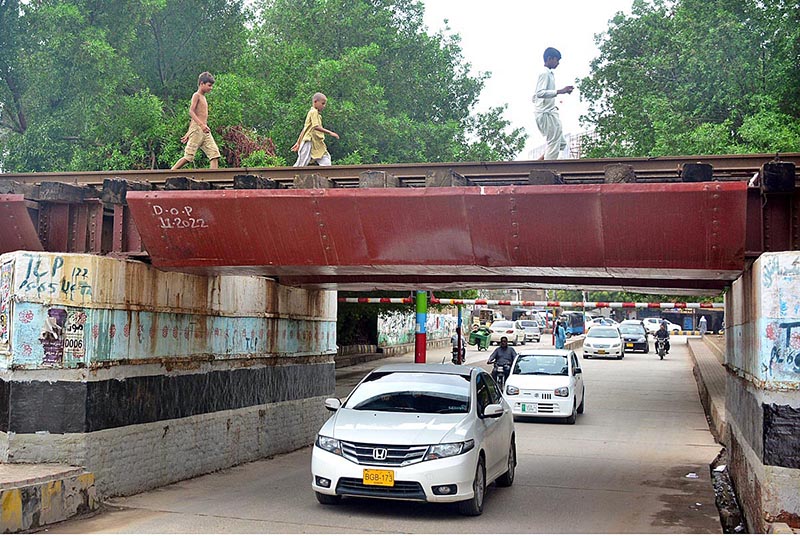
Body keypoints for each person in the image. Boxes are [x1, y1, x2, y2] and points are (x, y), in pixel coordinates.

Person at [172, 72, 221, 170]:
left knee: (214, 154)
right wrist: (200, 126)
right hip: (198, 129)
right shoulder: (196, 95)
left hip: (205, 130)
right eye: (209, 85)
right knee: (189, 156)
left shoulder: (204, 97)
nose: (211, 88)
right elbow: (191, 111)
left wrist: (188, 132)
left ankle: (214, 178)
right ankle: (170, 172)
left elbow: (195, 117)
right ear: (202, 83)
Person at [533, 47, 574, 160]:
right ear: (550, 59)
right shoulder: (544, 74)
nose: (558, 63)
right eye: (557, 60)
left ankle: (540, 162)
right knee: (553, 142)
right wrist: (560, 91)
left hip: (550, 111)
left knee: (560, 143)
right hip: (545, 114)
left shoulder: (549, 74)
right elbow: (539, 93)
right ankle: (547, 169)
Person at [292, 92, 339, 167]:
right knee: (303, 161)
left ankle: (326, 175)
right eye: (322, 103)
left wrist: (298, 142)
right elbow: (315, 127)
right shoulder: (313, 112)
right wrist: (330, 133)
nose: (324, 106)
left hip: (317, 142)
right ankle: (292, 175)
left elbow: (305, 129)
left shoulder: (317, 114)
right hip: (309, 141)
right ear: (315, 102)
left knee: (325, 158)